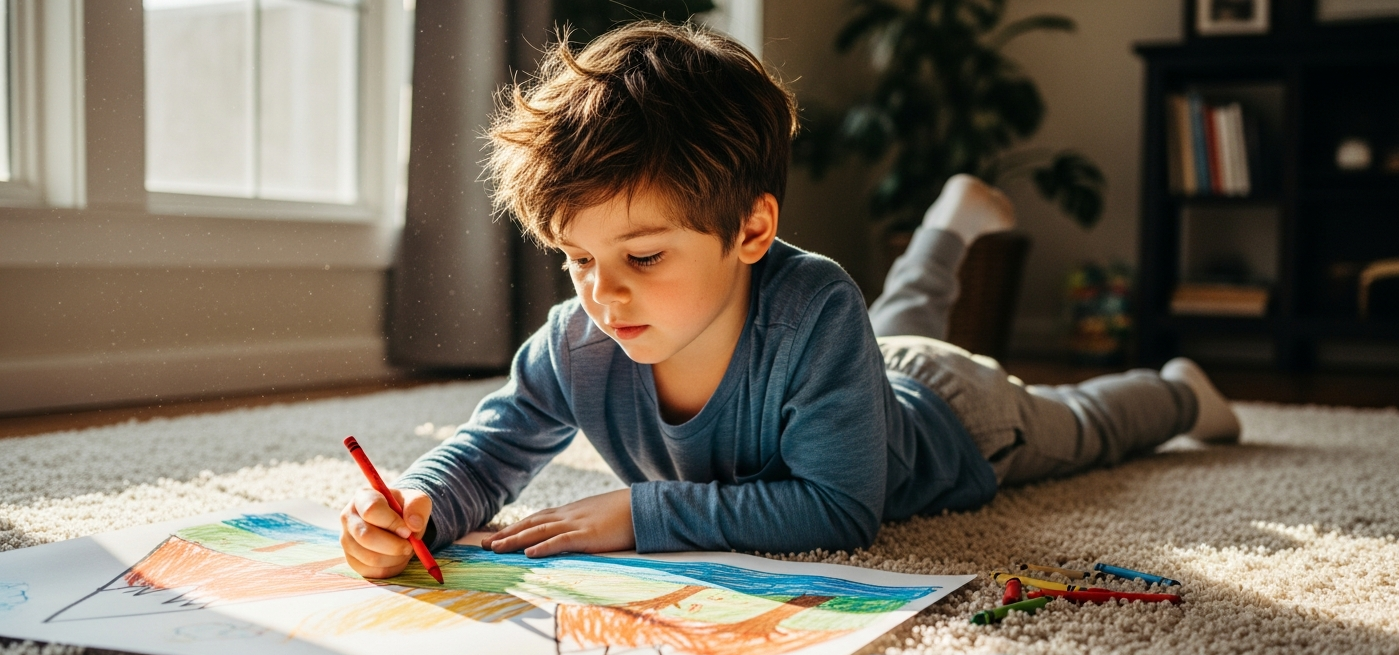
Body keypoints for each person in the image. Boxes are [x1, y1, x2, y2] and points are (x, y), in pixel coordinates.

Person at [337, 22, 1239, 579]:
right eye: (576, 257)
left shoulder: (811, 303)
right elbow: (490, 450)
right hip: (862, 371)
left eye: (643, 256)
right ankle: (948, 228)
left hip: (958, 418)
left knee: (1078, 422)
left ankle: (1180, 389)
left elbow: (842, 510)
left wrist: (638, 513)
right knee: (897, 322)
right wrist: (419, 501)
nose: (602, 293)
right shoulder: (578, 339)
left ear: (752, 231)